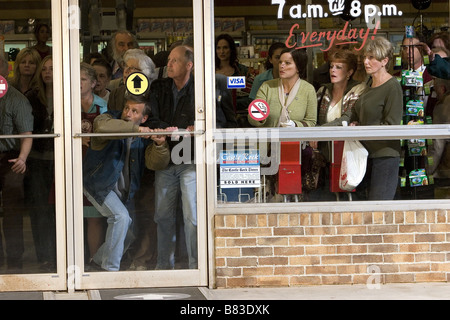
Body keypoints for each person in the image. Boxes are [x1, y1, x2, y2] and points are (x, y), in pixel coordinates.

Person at [83, 93, 171, 271]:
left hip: (123, 191)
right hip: (98, 184)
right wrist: (137, 130)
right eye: (126, 108)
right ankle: (110, 270)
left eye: (134, 111)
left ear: (144, 118)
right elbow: (101, 127)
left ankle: (97, 263)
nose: (128, 113)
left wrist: (160, 145)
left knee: (129, 232)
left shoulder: (144, 135)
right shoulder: (108, 119)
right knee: (121, 218)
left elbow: (155, 164)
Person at [149, 45, 198, 269]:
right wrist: (170, 130)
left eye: (174, 61)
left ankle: (196, 266)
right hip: (166, 157)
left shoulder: (202, 89)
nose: (168, 64)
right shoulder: (159, 87)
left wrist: (197, 127)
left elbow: (221, 122)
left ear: (189, 65)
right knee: (163, 216)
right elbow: (151, 119)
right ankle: (163, 266)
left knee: (192, 218)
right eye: (168, 60)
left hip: (191, 158)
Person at [308, 49, 367, 200]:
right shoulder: (322, 90)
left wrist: (318, 132)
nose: (333, 70)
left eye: (339, 67)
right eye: (331, 66)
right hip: (323, 158)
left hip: (347, 156)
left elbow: (347, 118)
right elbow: (313, 118)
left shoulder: (358, 89)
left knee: (348, 200)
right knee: (323, 200)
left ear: (349, 72)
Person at [349, 36, 403, 201]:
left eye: (371, 58)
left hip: (384, 156)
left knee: (379, 210)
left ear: (384, 61)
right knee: (366, 209)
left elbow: (391, 124)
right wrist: (354, 123)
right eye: (365, 57)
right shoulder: (367, 86)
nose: (366, 61)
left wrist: (361, 129)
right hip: (364, 156)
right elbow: (359, 116)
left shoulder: (392, 86)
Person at [0, 53, 34, 272]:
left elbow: (26, 133)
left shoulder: (17, 99)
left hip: (9, 157)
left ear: (6, 71)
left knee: (13, 211)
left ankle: (15, 261)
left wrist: (22, 158)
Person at [24, 55, 56, 272]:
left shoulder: (70, 93)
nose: (47, 72)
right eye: (44, 69)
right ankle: (45, 256)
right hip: (37, 159)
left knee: (60, 209)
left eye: (52, 68)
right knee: (40, 210)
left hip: (60, 159)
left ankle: (62, 254)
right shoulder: (31, 97)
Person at [80, 62, 108, 265]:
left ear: (93, 83)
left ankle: (93, 259)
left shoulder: (102, 105)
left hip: (95, 166)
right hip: (71, 165)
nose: (78, 83)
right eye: (75, 79)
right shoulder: (65, 102)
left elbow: (108, 133)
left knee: (94, 217)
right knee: (69, 214)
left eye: (82, 79)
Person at [248, 48, 317, 128]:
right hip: (268, 139)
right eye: (280, 62)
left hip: (295, 139)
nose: (281, 65)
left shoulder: (308, 90)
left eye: (287, 63)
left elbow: (311, 122)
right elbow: (251, 118)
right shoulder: (267, 87)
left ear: (298, 67)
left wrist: (295, 125)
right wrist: (258, 117)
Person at [108, 48, 156, 113]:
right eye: (126, 66)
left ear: (144, 73)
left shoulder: (154, 95)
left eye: (132, 68)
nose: (126, 71)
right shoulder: (115, 94)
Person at [215, 33, 249, 113]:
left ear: (231, 49)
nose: (222, 51)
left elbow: (250, 97)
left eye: (225, 48)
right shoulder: (208, 71)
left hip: (237, 116)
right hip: (214, 116)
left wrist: (230, 103)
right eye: (218, 48)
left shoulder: (242, 71)